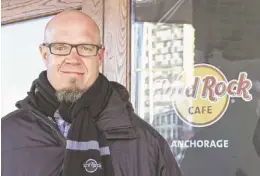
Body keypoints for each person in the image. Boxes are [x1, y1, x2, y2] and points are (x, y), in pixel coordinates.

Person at [1, 10, 182, 176]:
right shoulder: (6, 135)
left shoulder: (146, 142)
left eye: (85, 48)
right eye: (60, 47)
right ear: (45, 54)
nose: (73, 58)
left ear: (100, 56)